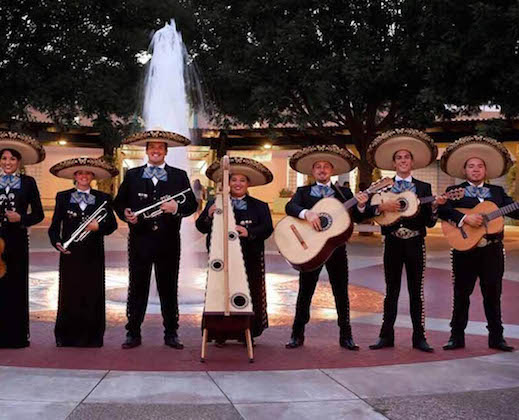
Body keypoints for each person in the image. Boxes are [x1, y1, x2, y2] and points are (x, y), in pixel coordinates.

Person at [438, 135, 519, 352]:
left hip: (492, 251)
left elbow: (518, 212)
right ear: (464, 171)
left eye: (480, 166)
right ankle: (456, 337)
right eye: (471, 166)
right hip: (464, 251)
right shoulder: (455, 192)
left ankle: (496, 338)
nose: (475, 170)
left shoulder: (498, 193)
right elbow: (443, 210)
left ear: (485, 171)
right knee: (461, 295)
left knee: (493, 295)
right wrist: (465, 219)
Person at [283, 145, 375, 351]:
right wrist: (307, 213)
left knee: (341, 292)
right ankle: (297, 334)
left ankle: (346, 335)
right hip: (310, 250)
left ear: (332, 171)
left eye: (326, 167)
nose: (322, 170)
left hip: (336, 249)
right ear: (312, 171)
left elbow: (359, 217)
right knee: (305, 291)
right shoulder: (303, 192)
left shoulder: (344, 193)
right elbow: (290, 207)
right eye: (318, 167)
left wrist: (361, 205)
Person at [113, 130, 198, 349]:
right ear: (147, 151)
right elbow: (119, 203)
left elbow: (191, 206)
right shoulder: (132, 175)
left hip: (168, 242)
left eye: (160, 147)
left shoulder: (179, 175)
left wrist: (176, 207)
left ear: (166, 151)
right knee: (137, 287)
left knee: (168, 287)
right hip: (140, 241)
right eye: (152, 147)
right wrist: (126, 214)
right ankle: (133, 332)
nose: (156, 151)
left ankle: (171, 332)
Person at [366, 129, 443, 352]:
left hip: (415, 243)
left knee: (416, 291)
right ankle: (385, 336)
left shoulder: (424, 188)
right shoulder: (383, 186)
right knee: (391, 291)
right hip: (392, 243)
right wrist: (381, 206)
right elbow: (369, 212)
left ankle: (419, 337)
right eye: (398, 158)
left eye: (406, 157)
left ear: (412, 162)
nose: (403, 161)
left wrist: (435, 207)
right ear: (394, 163)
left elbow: (429, 222)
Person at [0, 131, 45, 348]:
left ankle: (16, 336)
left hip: (18, 240)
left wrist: (21, 218)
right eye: (4, 158)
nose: (8, 162)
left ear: (19, 161)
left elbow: (39, 214)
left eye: (12, 159)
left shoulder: (28, 182)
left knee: (16, 284)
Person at [196, 157, 274, 342]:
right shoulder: (215, 203)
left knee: (249, 294)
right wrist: (208, 215)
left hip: (250, 258)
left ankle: (247, 334)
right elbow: (201, 227)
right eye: (234, 180)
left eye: (242, 180)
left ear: (248, 184)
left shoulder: (260, 206)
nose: (238, 183)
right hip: (221, 259)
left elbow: (267, 228)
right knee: (220, 294)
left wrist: (248, 232)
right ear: (228, 182)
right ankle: (219, 333)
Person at [48, 157, 118, 347]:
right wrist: (57, 243)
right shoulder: (62, 197)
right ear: (75, 176)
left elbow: (111, 225)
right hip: (70, 255)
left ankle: (92, 337)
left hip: (93, 255)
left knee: (92, 293)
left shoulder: (103, 198)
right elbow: (54, 227)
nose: (84, 176)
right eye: (80, 173)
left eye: (87, 173)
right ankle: (67, 336)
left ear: (92, 176)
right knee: (69, 294)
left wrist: (98, 227)